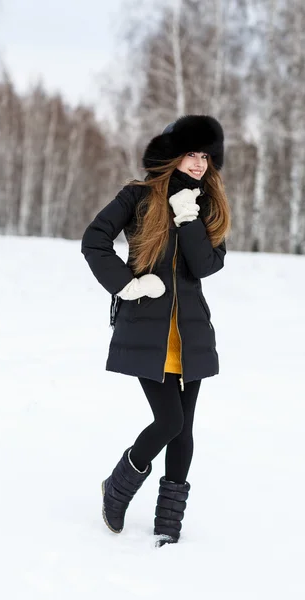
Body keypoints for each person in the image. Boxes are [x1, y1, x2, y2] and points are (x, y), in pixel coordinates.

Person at [81, 114, 231, 547]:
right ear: (172, 154)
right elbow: (95, 239)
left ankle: (168, 526)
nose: (200, 163)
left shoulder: (206, 205)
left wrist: (188, 222)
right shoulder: (138, 196)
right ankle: (118, 486)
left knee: (184, 430)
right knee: (168, 420)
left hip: (191, 333)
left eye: (206, 156)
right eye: (192, 153)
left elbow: (206, 266)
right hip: (148, 330)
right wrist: (126, 285)